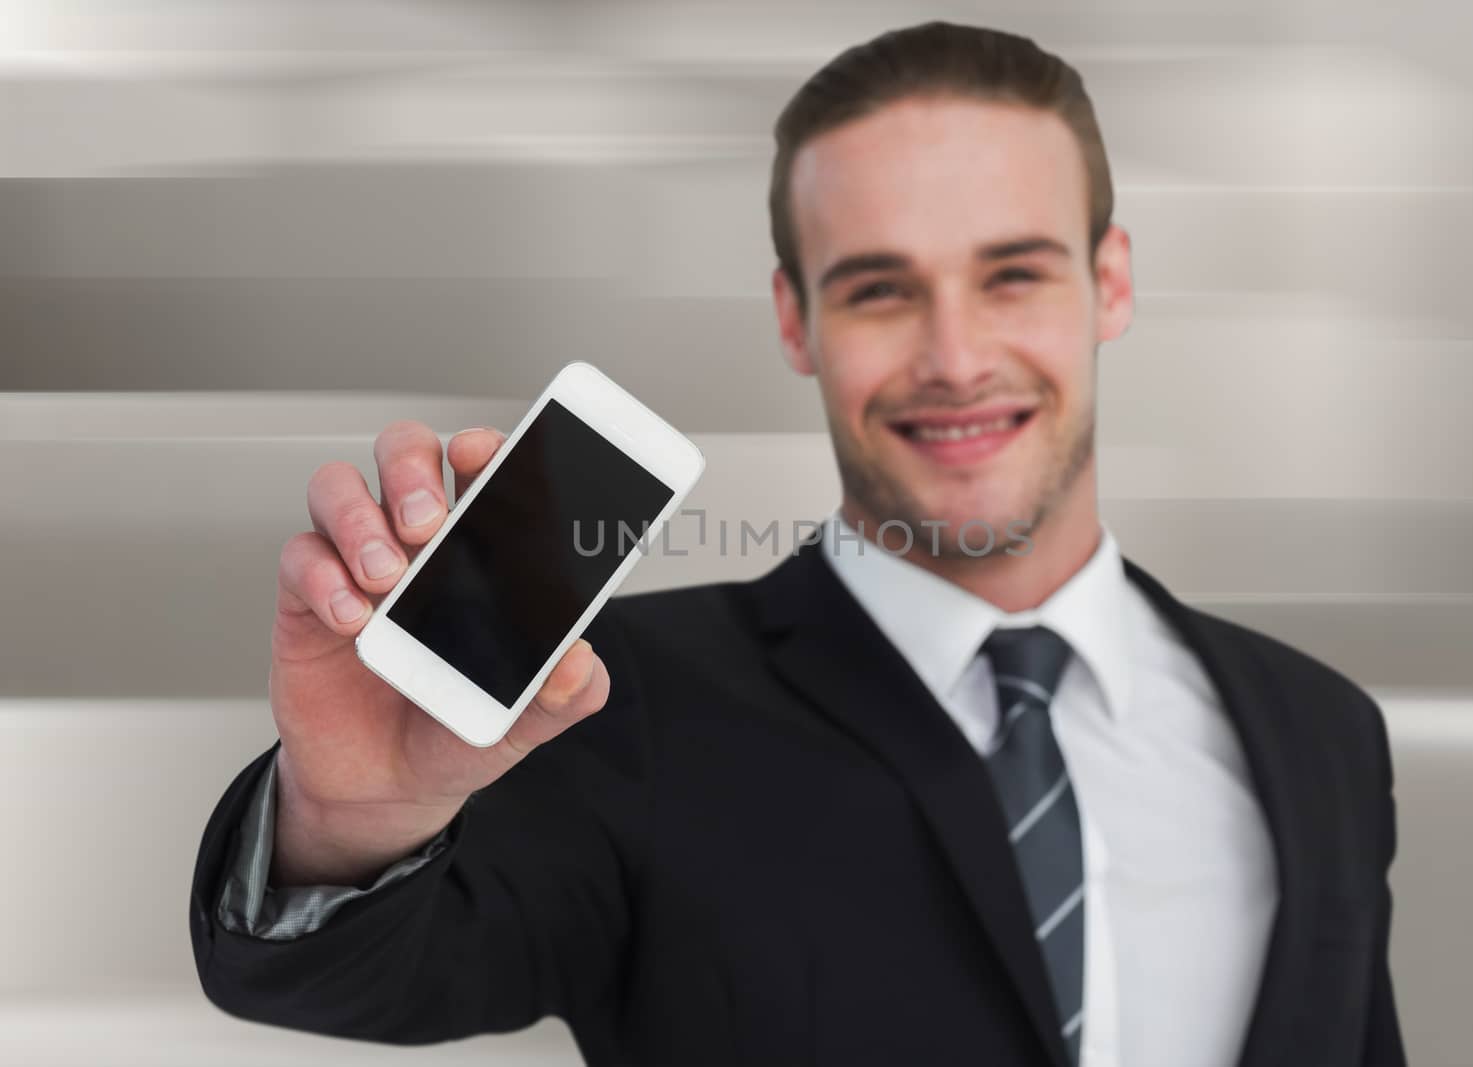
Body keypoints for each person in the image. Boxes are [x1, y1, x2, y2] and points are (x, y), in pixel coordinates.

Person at [189, 20, 1404, 1067]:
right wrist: (350, 813)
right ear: (795, 319)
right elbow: (345, 978)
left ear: (1110, 282)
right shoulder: (612, 700)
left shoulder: (1317, 729)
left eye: (1014, 275)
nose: (955, 355)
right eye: (880, 287)